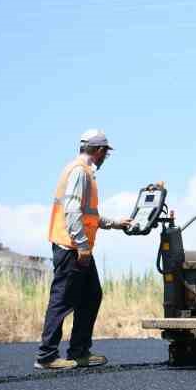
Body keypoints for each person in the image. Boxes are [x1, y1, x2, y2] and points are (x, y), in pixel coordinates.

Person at [36, 128, 132, 370]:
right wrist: (82, 246)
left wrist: (115, 223)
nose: (105, 158)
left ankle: (79, 352)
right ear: (99, 151)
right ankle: (47, 357)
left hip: (77, 246)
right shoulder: (80, 172)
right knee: (63, 300)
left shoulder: (82, 171)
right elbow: (71, 211)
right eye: (105, 154)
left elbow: (88, 216)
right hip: (72, 247)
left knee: (91, 296)